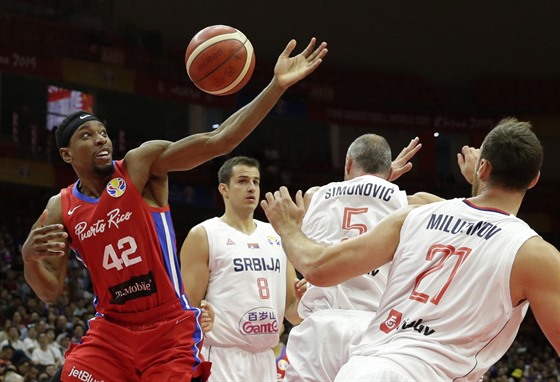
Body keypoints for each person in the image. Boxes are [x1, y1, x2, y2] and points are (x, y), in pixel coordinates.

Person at [21, 37, 328, 382]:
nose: (101, 139)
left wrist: (276, 86)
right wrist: (29, 259)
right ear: (67, 154)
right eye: (87, 136)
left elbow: (220, 141)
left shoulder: (141, 165)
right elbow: (49, 291)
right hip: (112, 331)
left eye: (103, 132)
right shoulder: (60, 208)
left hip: (167, 328)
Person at [261, 118, 560, 381]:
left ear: (483, 168)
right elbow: (487, 225)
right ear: (534, 180)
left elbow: (317, 268)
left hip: (366, 367)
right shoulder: (535, 254)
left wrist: (287, 227)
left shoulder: (414, 217)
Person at [284, 134, 445, 382]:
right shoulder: (411, 205)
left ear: (348, 164)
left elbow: (346, 197)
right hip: (375, 329)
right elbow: (471, 217)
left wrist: (376, 182)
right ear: (388, 169)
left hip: (319, 326)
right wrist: (385, 184)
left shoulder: (313, 197)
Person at [180, 156, 303, 382]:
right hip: (221, 356)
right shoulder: (204, 234)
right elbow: (185, 310)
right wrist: (199, 318)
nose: (251, 188)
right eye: (243, 181)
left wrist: (310, 297)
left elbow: (292, 312)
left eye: (256, 182)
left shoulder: (278, 235)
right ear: (224, 189)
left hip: (266, 358)